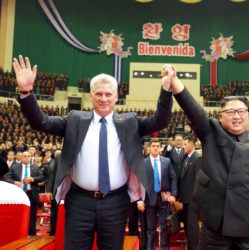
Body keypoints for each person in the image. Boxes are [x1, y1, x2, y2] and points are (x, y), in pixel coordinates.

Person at [12, 55, 173, 249]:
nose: (103, 99)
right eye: (99, 94)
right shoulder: (74, 119)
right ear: (91, 95)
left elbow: (160, 121)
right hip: (80, 201)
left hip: (116, 202)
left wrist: (166, 89)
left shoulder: (130, 122)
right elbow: (41, 122)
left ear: (116, 96)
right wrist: (26, 91)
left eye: (108, 94)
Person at [165, 65, 249, 249]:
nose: (237, 116)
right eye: (231, 112)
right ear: (220, 116)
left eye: (241, 111)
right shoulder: (211, 132)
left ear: (248, 115)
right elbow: (192, 109)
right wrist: (174, 81)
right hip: (216, 223)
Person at [137, 139, 177, 250]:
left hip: (164, 198)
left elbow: (173, 178)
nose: (155, 147)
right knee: (150, 228)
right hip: (149, 199)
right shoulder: (143, 163)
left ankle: (165, 248)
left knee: (164, 226)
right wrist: (139, 199)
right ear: (149, 148)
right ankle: (150, 248)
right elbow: (139, 182)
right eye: (153, 145)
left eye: (157, 146)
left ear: (160, 148)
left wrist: (173, 194)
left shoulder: (166, 161)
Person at [5, 151, 45, 235]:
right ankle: (17, 233)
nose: (27, 158)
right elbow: (6, 178)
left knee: (32, 215)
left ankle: (31, 234)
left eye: (28, 156)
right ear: (21, 158)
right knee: (18, 214)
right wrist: (15, 182)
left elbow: (42, 177)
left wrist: (32, 179)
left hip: (31, 194)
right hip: (19, 194)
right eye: (25, 156)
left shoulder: (36, 167)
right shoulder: (15, 167)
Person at [178, 135, 200, 250]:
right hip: (184, 199)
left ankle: (195, 248)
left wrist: (195, 199)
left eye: (185, 144)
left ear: (192, 144)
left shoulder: (197, 158)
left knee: (192, 227)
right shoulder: (185, 158)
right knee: (187, 226)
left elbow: (198, 181)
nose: (183, 146)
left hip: (192, 199)